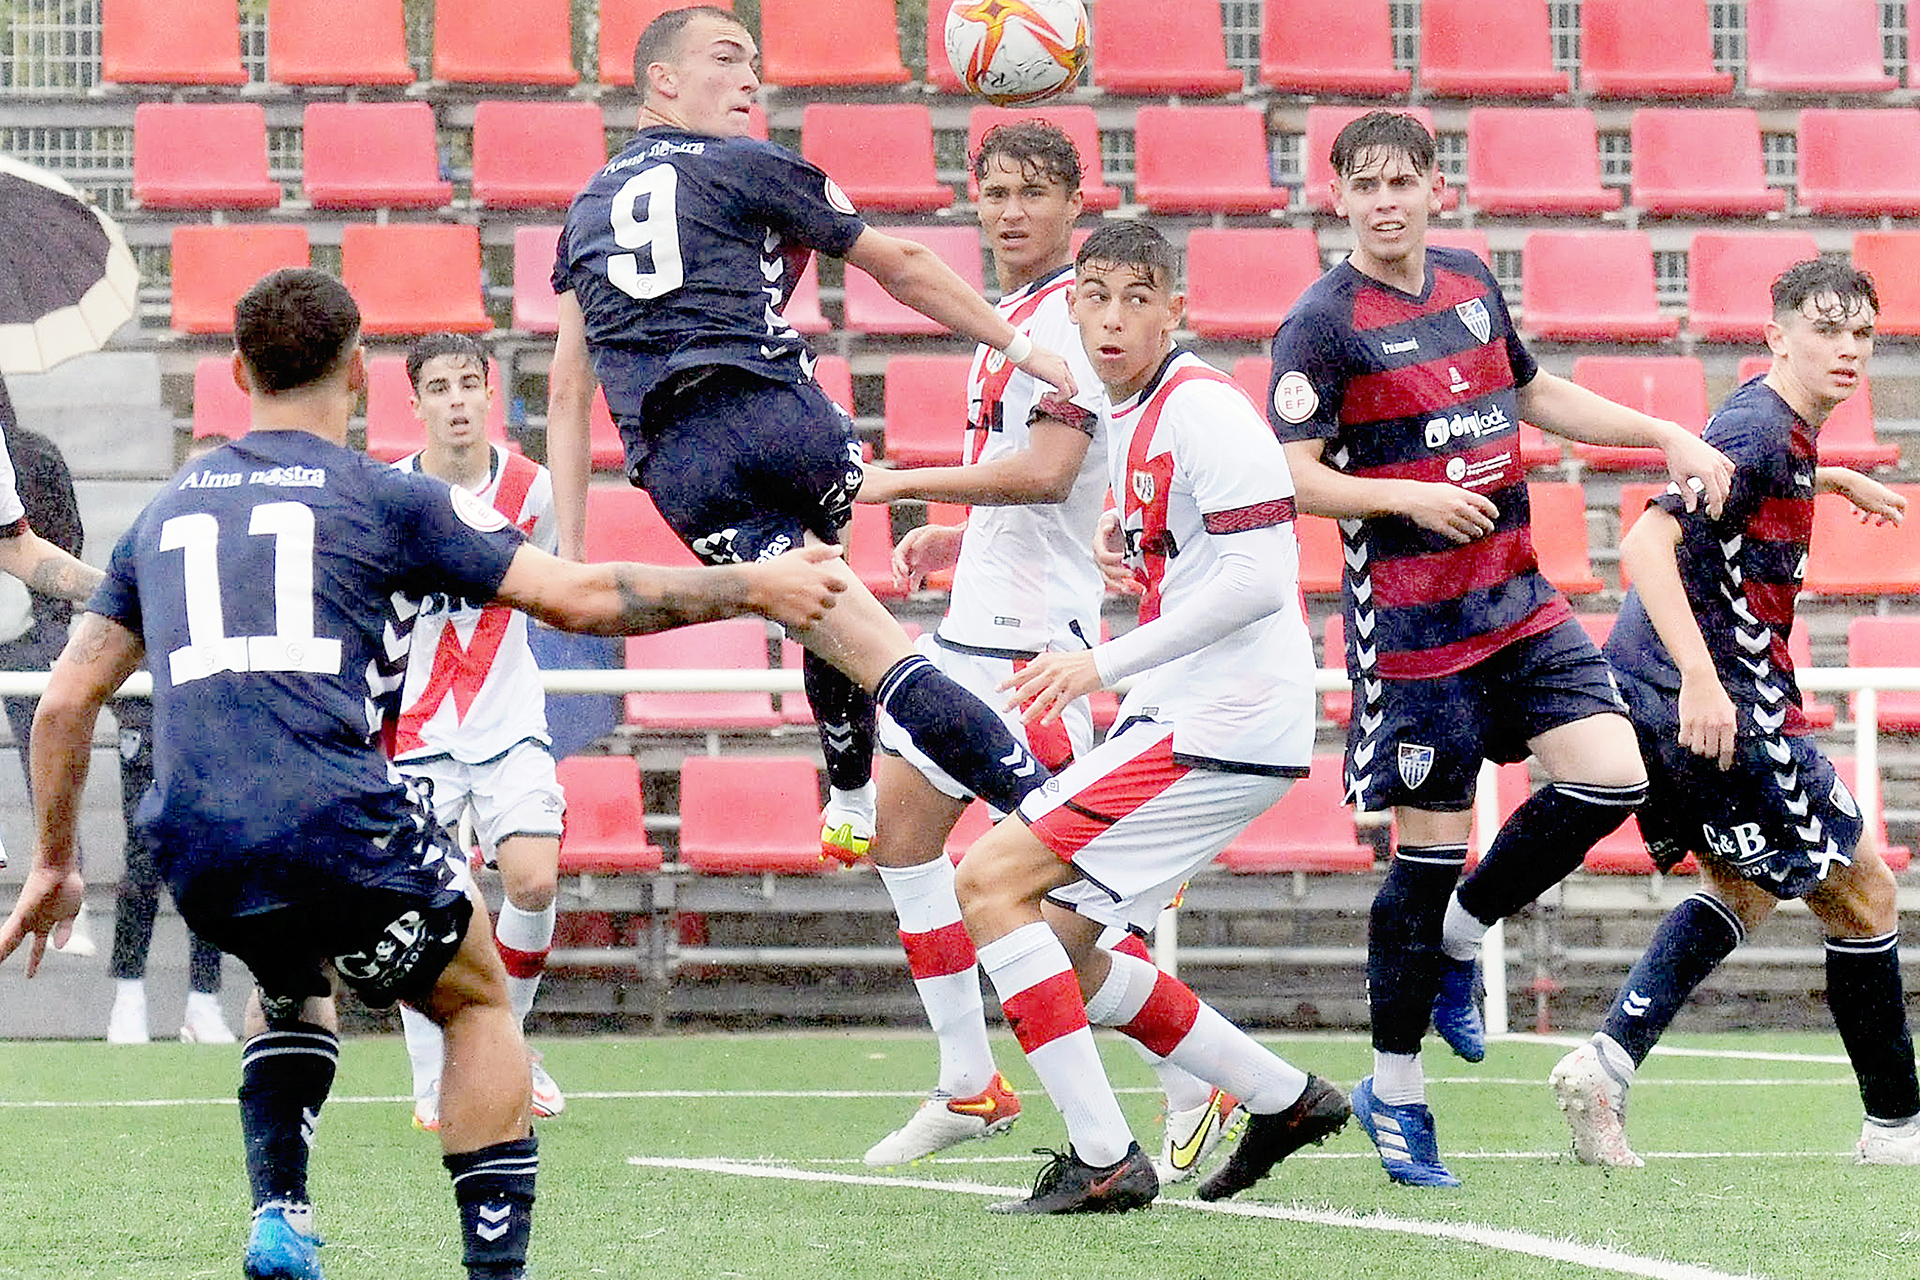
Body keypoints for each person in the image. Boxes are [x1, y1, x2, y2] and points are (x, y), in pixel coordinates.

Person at [0, 268, 844, 1280]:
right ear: (359, 374)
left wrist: (55, 860)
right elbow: (579, 596)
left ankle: (281, 1216)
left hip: (196, 840)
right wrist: (754, 582)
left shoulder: (166, 514)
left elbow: (61, 703)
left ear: (235, 371)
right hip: (331, 813)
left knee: (288, 978)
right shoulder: (389, 497)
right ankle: (496, 1269)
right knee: (477, 999)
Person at [1266, 110, 1735, 1188]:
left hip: (1519, 601)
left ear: (1435, 185)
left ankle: (1470, 931)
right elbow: (1293, 475)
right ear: (1337, 194)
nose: (1386, 201)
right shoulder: (1319, 324)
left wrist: (1663, 431)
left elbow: (1532, 392)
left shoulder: (1471, 278)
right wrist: (1407, 500)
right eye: (1365, 184)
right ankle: (1397, 1084)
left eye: (1403, 181)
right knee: (1420, 861)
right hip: (1416, 630)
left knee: (1615, 776)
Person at [546, 5, 1078, 861]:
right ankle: (1071, 823)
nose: (751, 78)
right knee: (856, 620)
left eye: (755, 60)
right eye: (727, 58)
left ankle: (856, 792)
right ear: (661, 81)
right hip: (785, 422)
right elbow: (900, 264)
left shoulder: (584, 211)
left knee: (844, 627)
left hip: (685, 467)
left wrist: (571, 555)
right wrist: (1019, 344)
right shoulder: (748, 164)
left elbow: (568, 392)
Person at [851, 121, 1236, 1182]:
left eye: (1034, 191)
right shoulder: (1004, 319)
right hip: (974, 633)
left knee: (1064, 907)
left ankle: (1187, 1067)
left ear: (1076, 202)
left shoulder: (1069, 321)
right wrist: (951, 529)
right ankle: (967, 1081)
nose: (1012, 209)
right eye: (994, 190)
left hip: (1035, 659)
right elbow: (1021, 477)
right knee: (900, 835)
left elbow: (1050, 469)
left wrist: (901, 485)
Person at [952, 221, 1349, 1215]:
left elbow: (1263, 584)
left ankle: (1104, 1157)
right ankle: (1283, 1096)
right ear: (1072, 306)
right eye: (1096, 295)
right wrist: (1138, 559)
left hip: (1218, 722)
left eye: (1139, 297)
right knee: (1060, 942)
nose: (1114, 316)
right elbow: (1201, 558)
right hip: (1198, 718)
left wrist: (1102, 661)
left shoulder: (1204, 410)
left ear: (1178, 308)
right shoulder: (1128, 411)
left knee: (986, 881)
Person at [1552, 259, 1920, 1169]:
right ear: (1777, 336)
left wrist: (1829, 483)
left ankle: (1606, 1067)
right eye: (1826, 329)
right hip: (1719, 704)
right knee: (1867, 895)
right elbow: (1644, 540)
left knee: (1744, 886)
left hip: (1651, 696)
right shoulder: (1762, 430)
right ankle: (1896, 1132)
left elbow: (1739, 495)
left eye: (1862, 333)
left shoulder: (1775, 432)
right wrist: (1704, 682)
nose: (1847, 348)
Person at [389, 334, 567, 1130]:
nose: (456, 400)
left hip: (506, 719)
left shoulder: (534, 489)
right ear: (415, 402)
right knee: (430, 904)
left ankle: (508, 1052)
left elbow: (548, 584)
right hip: (417, 729)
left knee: (531, 880)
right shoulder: (387, 495)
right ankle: (433, 1084)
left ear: (490, 393)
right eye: (438, 387)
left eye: (469, 384)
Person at [0, 411, 99, 953]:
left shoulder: (24, 453)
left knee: (45, 753)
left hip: (28, 632)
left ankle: (60, 869)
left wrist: (126, 595)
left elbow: (27, 547)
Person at [107, 694, 236, 1043]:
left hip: (206, 718)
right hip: (145, 715)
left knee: (208, 862)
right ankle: (128, 998)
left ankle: (204, 1000)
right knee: (142, 865)